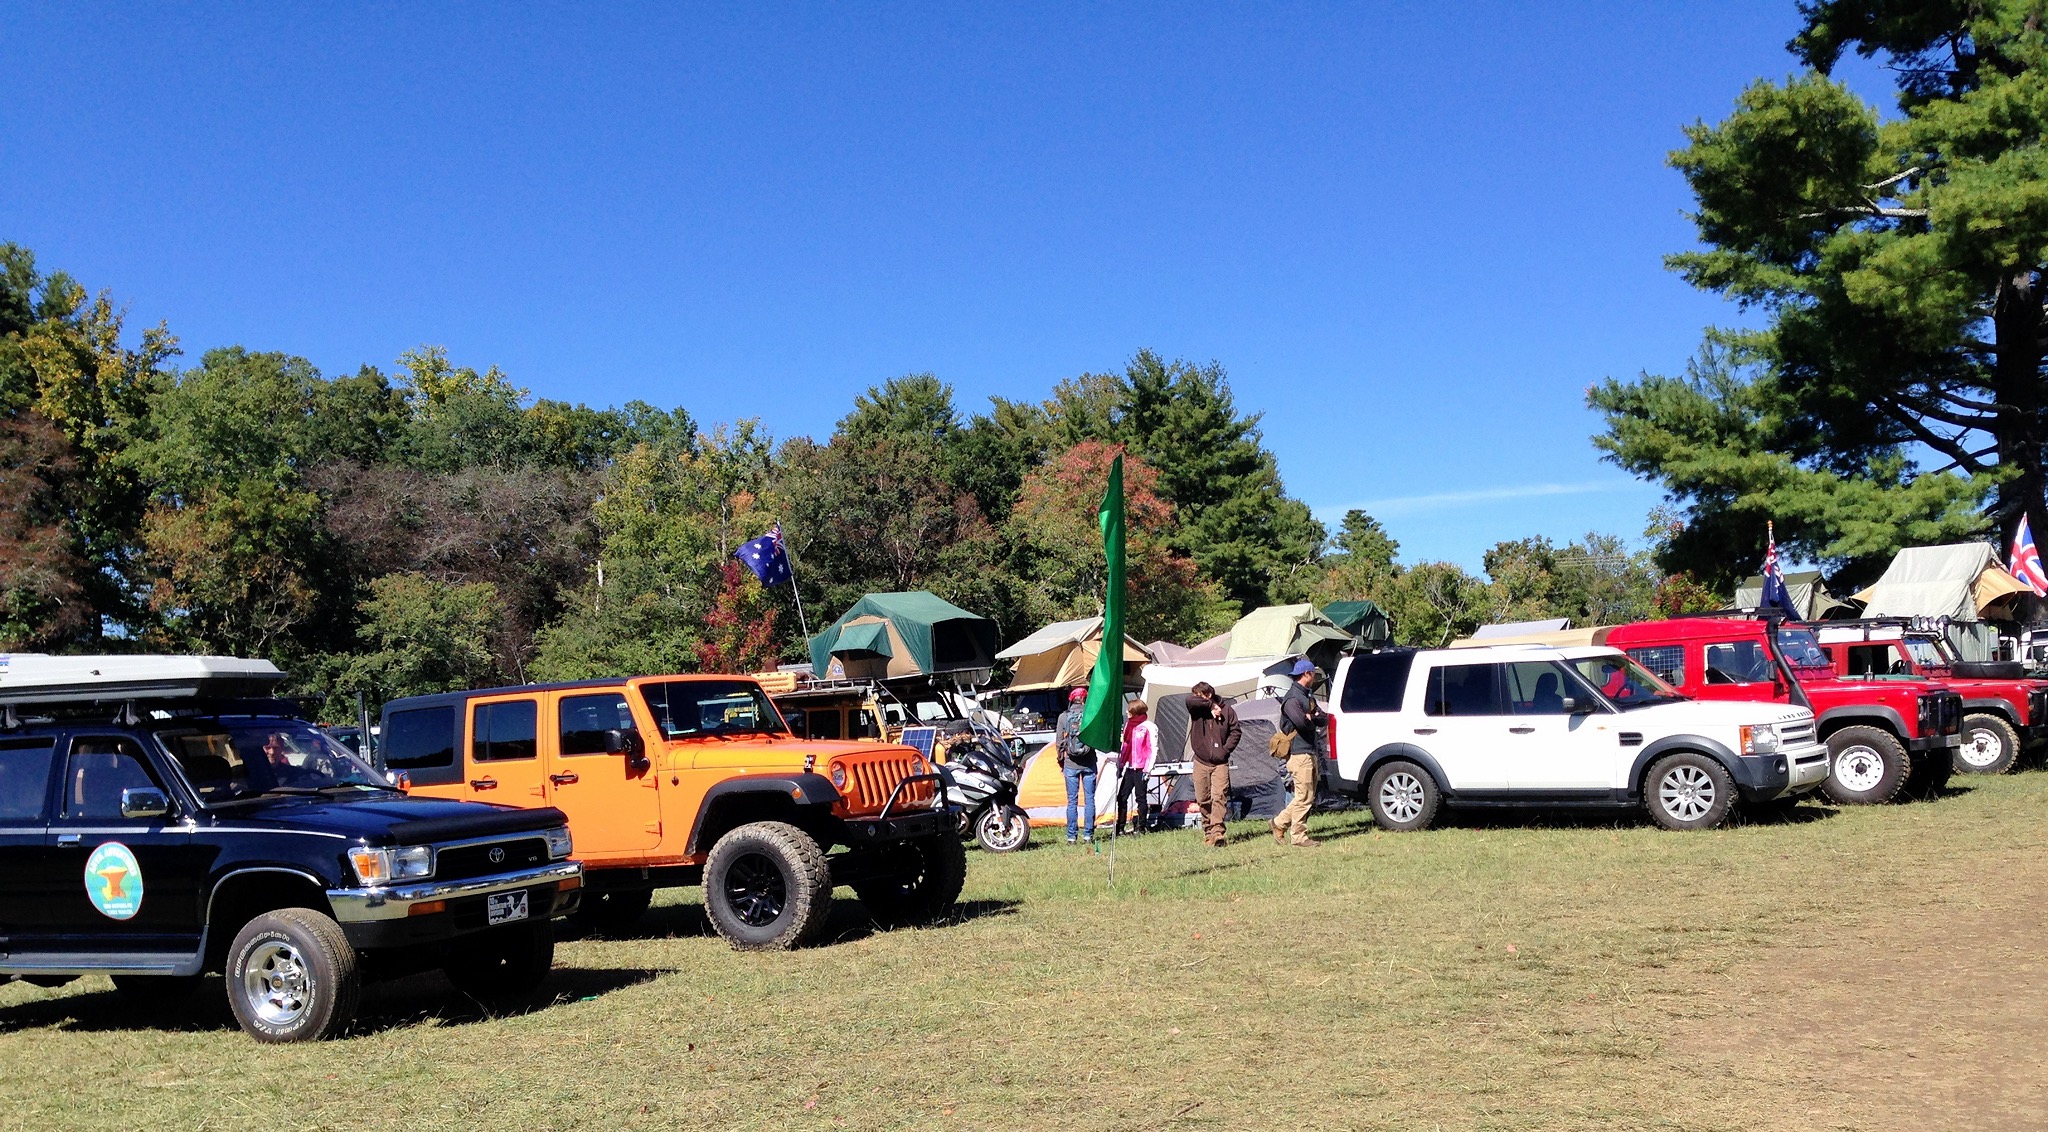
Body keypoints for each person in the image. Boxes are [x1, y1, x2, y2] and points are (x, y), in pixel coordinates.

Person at [1272, 660, 1325, 847]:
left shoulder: (1307, 696)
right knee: (1303, 797)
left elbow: (1322, 718)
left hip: (1309, 751)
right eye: (1313, 673)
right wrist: (1311, 719)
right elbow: (1301, 723)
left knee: (1306, 796)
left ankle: (1278, 823)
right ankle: (1299, 837)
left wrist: (1312, 718)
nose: (1315, 677)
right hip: (1298, 753)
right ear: (1307, 674)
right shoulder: (1292, 698)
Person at [1186, 681, 1240, 847]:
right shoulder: (1197, 710)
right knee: (1203, 798)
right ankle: (1208, 831)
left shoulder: (1227, 711)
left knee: (1219, 796)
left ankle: (1218, 832)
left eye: (1199, 695)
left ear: (1208, 694)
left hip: (1220, 762)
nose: (1197, 698)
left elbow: (1236, 732)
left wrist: (1225, 750)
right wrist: (1210, 706)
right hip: (1200, 761)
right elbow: (1190, 701)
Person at [1054, 687, 1099, 844]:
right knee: (1090, 799)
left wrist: (1061, 759)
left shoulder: (1063, 717)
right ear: (1085, 699)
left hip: (1071, 763)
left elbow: (1059, 741)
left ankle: (1072, 837)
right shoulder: (1091, 715)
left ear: (1071, 700)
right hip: (1089, 762)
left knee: (1072, 801)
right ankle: (1088, 835)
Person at [1115, 699, 1157, 835]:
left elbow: (1152, 748)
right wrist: (1121, 764)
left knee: (1140, 798)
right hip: (1130, 767)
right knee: (1122, 797)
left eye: (1129, 710)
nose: (1127, 712)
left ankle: (1141, 827)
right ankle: (1120, 827)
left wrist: (1148, 769)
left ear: (1136, 711)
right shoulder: (1129, 725)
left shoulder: (1149, 726)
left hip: (1142, 768)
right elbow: (1125, 745)